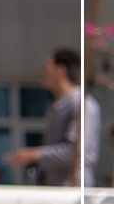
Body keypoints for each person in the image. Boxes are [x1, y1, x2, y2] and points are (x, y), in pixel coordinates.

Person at [6, 47, 100, 186]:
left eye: (46, 67)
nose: (41, 72)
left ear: (60, 69)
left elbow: (77, 151)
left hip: (73, 187)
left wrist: (34, 155)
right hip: (54, 187)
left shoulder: (81, 104)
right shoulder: (55, 106)